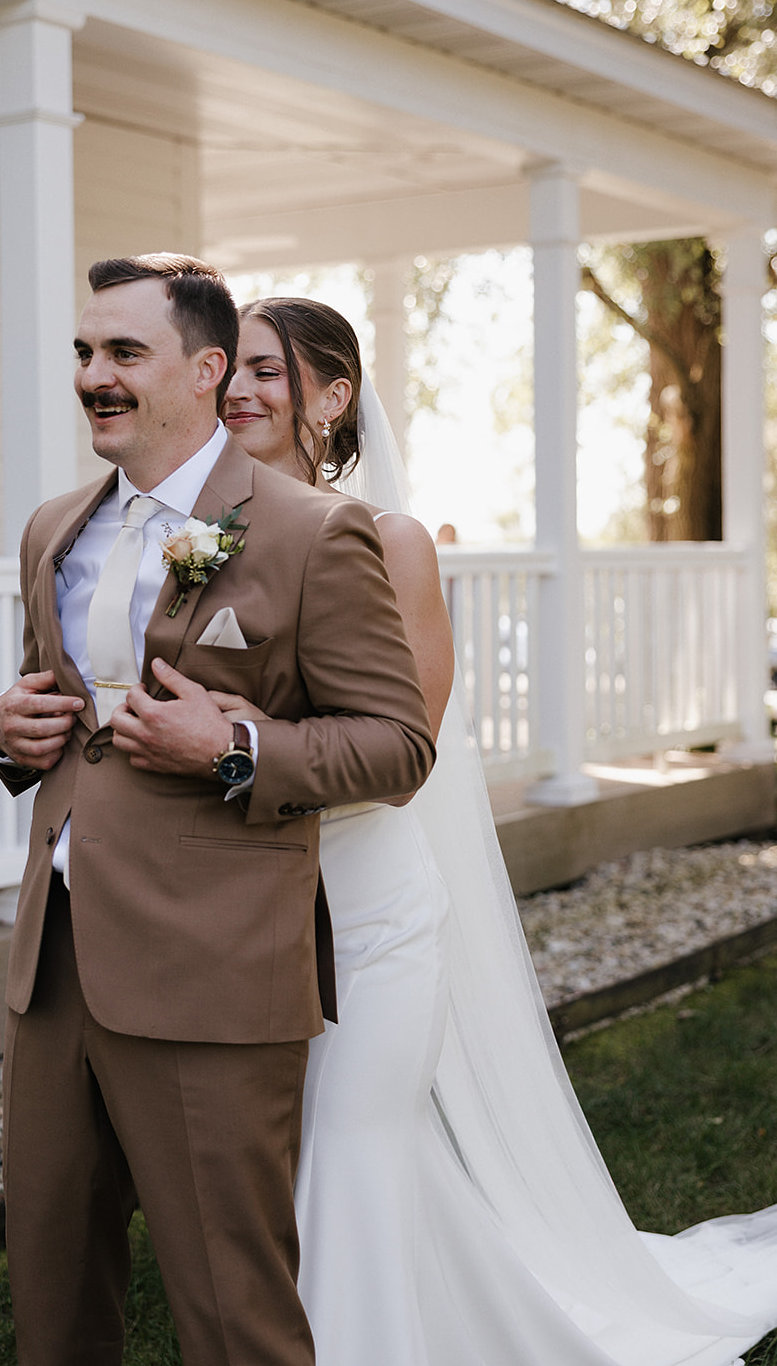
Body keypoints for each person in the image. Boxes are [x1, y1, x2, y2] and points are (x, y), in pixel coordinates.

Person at [210, 294, 777, 1366]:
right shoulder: (208, 544)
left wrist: (234, 750)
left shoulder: (388, 541)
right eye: (225, 366)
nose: (234, 386)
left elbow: (403, 756)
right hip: (256, 918)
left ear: (331, 399)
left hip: (370, 916)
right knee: (320, 1167)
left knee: (351, 1146)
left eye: (264, 369)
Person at [0, 255, 437, 1366]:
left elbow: (397, 743)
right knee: (50, 1295)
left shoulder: (310, 533)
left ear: (204, 370)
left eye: (123, 354)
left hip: (212, 972)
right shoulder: (53, 529)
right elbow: (61, 713)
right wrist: (2, 734)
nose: (94, 375)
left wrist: (229, 743)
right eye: (85, 353)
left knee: (233, 1313)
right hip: (55, 970)